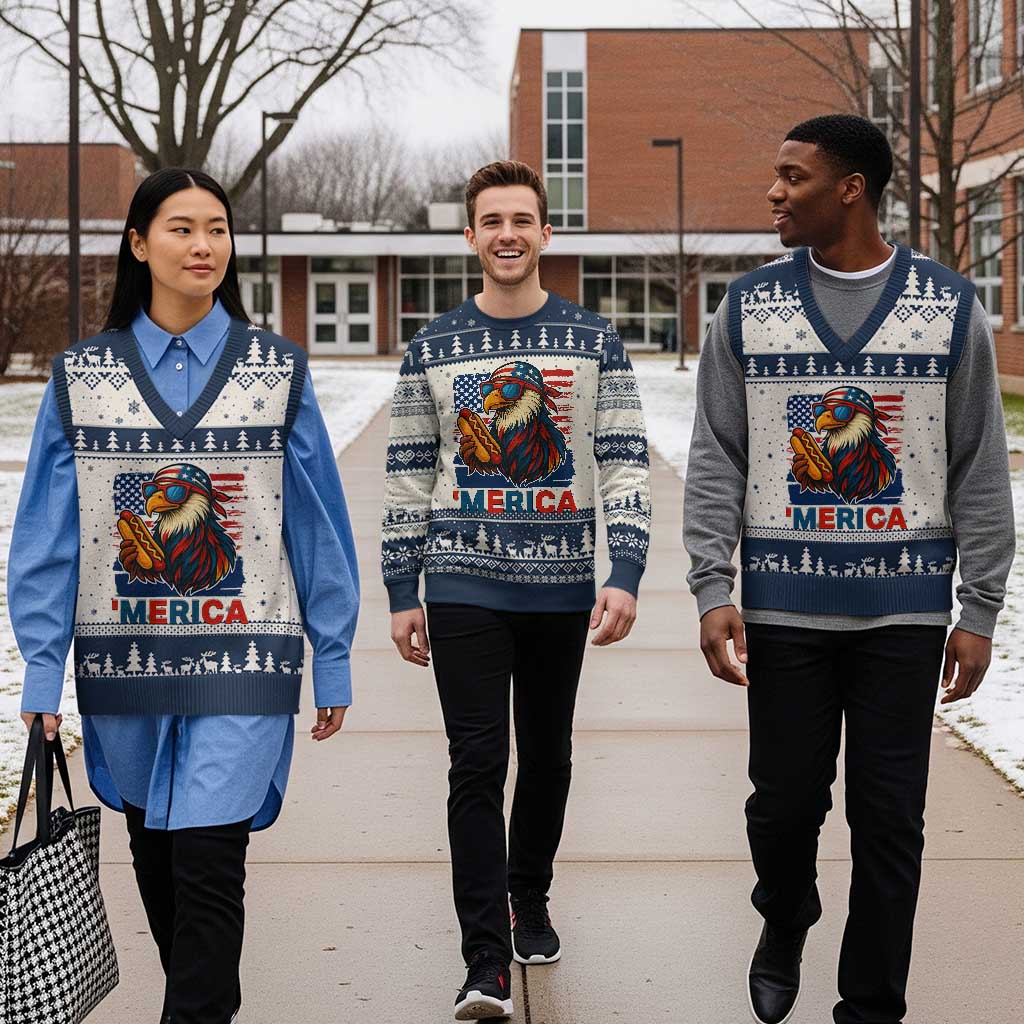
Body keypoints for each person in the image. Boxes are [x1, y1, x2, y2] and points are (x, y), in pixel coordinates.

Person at [684, 113, 1014, 1024]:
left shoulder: (949, 307)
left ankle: (870, 1007)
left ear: (851, 189)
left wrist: (980, 609)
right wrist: (712, 585)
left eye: (793, 177)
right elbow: (716, 455)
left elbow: (979, 465)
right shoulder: (748, 307)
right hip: (785, 611)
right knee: (782, 809)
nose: (774, 192)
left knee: (890, 821)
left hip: (905, 617)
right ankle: (786, 911)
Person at [10, 168, 359, 1024]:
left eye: (217, 229)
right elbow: (49, 538)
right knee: (159, 861)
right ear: (138, 244)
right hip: (123, 663)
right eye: (181, 228)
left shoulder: (277, 372)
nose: (203, 246)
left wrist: (333, 655)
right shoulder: (81, 378)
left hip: (246, 659)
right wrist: (43, 672)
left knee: (209, 863)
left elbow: (316, 525)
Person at [381, 160, 651, 1021]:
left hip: (561, 585)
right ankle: (484, 961)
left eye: (522, 220)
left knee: (548, 753)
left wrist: (626, 570)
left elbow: (624, 460)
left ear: (545, 232)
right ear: (470, 236)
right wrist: (402, 587)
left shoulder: (594, 340)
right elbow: (408, 475)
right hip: (462, 581)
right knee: (476, 760)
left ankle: (527, 894)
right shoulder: (432, 347)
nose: (507, 234)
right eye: (492, 221)